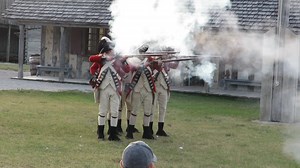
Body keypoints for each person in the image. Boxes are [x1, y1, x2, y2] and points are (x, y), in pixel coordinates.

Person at [89, 36, 130, 141]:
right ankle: (100, 134)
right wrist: (105, 58)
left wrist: (124, 60)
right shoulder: (101, 59)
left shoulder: (118, 60)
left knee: (114, 112)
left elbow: (127, 70)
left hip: (116, 89)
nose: (113, 51)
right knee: (102, 111)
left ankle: (113, 134)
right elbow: (91, 59)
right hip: (103, 88)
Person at [125, 45, 156, 139]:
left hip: (148, 89)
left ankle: (146, 132)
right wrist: (144, 64)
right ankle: (130, 131)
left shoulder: (150, 60)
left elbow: (158, 67)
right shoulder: (133, 59)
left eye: (146, 51)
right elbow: (134, 68)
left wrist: (159, 61)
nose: (144, 53)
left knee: (148, 111)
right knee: (134, 111)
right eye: (143, 51)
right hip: (137, 90)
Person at [150, 56, 179, 136]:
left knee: (163, 108)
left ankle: (160, 129)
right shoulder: (153, 60)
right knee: (152, 108)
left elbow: (174, 66)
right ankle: (149, 128)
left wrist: (178, 60)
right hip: (155, 87)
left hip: (164, 87)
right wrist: (158, 61)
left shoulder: (166, 62)